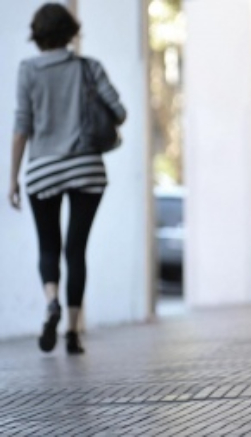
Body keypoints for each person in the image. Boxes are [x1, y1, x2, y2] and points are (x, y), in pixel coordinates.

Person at [7, 3, 126, 354]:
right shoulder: (89, 68)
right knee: (76, 250)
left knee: (48, 245)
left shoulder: (28, 70)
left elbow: (21, 127)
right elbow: (119, 112)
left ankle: (51, 302)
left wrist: (13, 178)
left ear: (37, 35)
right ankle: (73, 332)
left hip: (43, 168)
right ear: (71, 32)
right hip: (87, 166)